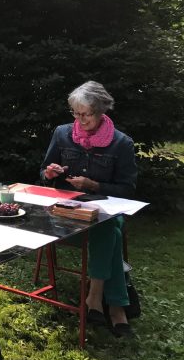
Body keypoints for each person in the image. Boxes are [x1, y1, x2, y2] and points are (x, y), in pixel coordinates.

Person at [40, 80, 137, 337]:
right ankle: (116, 306)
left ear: (102, 111)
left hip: (102, 215)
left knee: (107, 226)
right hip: (64, 216)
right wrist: (50, 173)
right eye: (76, 113)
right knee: (111, 232)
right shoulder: (62, 134)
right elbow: (43, 173)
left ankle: (95, 298)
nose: (80, 120)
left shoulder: (121, 144)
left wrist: (94, 184)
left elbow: (127, 190)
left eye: (87, 114)